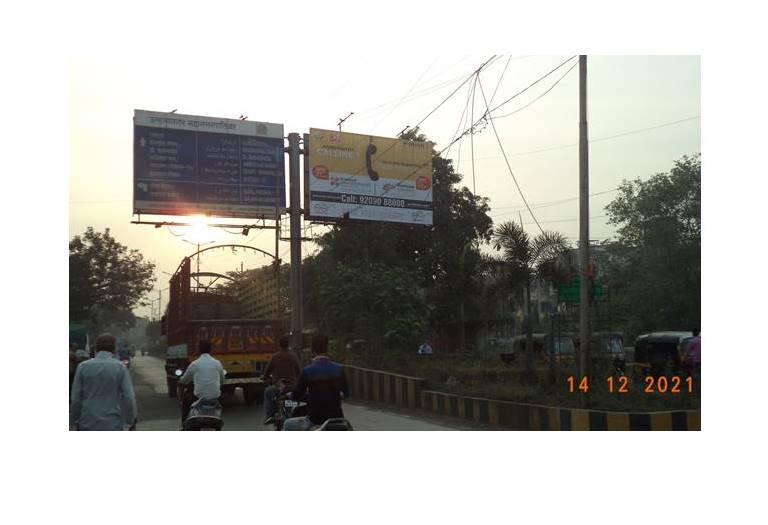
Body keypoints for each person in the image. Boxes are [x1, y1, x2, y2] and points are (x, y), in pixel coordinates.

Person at [70, 333, 137, 431]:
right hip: (113, 423)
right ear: (114, 349)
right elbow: (129, 397)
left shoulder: (82, 367)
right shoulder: (120, 367)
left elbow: (76, 398)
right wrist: (130, 421)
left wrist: (75, 420)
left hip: (87, 423)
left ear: (96, 348)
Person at [291, 334, 349, 426]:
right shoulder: (339, 369)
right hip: (337, 418)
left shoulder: (307, 371)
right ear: (327, 348)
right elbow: (347, 393)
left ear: (312, 349)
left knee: (287, 424)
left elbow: (296, 395)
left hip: (315, 419)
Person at [178, 339, 225, 428]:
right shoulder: (217, 363)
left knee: (186, 401)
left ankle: (184, 425)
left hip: (198, 398)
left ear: (199, 350)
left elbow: (184, 380)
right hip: (215, 398)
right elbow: (222, 380)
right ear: (210, 349)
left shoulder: (195, 364)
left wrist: (180, 381)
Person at [262, 335, 301, 425]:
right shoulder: (293, 357)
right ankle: (292, 411)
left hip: (278, 388)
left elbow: (267, 372)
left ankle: (270, 415)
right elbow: (299, 372)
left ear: (279, 345)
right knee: (294, 401)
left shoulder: (275, 357)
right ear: (288, 345)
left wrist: (264, 377)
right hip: (291, 387)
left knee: (268, 392)